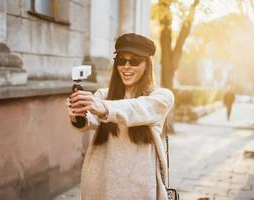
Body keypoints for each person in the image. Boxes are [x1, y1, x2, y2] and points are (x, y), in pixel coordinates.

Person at [66, 33, 174, 200]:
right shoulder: (103, 95)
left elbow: (137, 109)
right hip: (102, 183)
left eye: (135, 61)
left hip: (139, 187)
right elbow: (88, 121)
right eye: (121, 61)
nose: (126, 66)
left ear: (147, 65)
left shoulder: (161, 97)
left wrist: (102, 107)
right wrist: (77, 114)